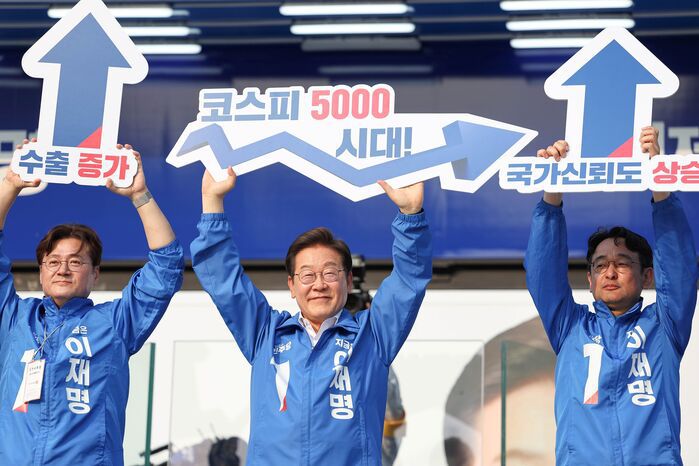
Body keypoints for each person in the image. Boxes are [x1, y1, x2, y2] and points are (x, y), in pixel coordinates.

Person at [190, 167, 432, 465]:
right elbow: (224, 280)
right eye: (307, 275)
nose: (319, 284)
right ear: (292, 286)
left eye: (330, 273)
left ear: (348, 280)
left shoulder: (373, 336)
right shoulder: (266, 333)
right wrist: (212, 202)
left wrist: (410, 216)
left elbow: (409, 280)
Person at [0, 143, 184, 466]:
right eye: (52, 261)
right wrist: (9, 186)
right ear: (41, 271)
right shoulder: (15, 318)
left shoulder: (114, 323)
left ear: (96, 273)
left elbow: (167, 267)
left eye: (75, 261)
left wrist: (140, 196)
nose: (62, 269)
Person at [525, 127, 697, 465]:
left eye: (623, 263)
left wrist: (659, 177)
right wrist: (552, 189)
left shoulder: (665, 326)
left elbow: (679, 264)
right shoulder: (570, 327)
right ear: (589, 279)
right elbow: (542, 270)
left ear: (647, 276)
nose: (611, 272)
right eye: (601, 265)